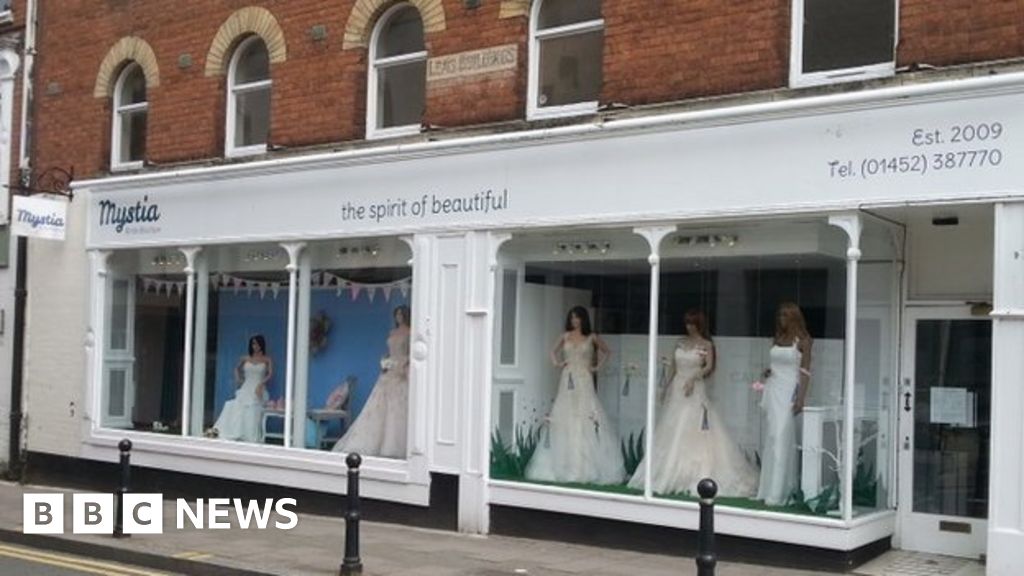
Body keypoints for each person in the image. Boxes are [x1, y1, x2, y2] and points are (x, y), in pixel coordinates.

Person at [629, 310, 757, 496]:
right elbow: (673, 367)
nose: (689, 327)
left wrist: (694, 377)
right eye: (687, 323)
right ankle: (668, 471)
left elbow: (709, 366)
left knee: (694, 428)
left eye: (692, 323)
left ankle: (693, 473)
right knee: (671, 428)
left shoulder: (706, 345)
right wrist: (664, 387)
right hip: (677, 387)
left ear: (699, 324)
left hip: (694, 388)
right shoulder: (680, 342)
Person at [525, 306, 624, 484]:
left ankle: (586, 465)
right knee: (566, 413)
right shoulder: (565, 336)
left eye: (577, 318)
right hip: (568, 378)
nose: (574, 321)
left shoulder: (591, 337)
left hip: (584, 379)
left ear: (583, 319)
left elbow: (607, 351)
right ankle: (563, 462)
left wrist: (596, 368)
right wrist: (557, 363)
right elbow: (552, 351)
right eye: (572, 318)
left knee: (585, 414)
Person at [333, 305, 411, 459]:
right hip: (388, 371)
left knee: (397, 409)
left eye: (401, 314)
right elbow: (388, 352)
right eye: (397, 314)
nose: (399, 317)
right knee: (377, 407)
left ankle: (393, 445)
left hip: (401, 372)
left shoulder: (411, 332)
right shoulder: (392, 332)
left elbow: (411, 353)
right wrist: (384, 361)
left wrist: (404, 365)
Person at [756, 301, 813, 506]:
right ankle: (768, 489)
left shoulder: (804, 340)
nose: (782, 319)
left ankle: (779, 492)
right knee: (772, 437)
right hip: (773, 389)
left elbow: (805, 371)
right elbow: (774, 364)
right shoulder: (778, 338)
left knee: (781, 435)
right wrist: (767, 372)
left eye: (785, 316)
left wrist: (801, 398)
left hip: (789, 391)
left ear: (794, 317)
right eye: (780, 315)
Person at [208, 334, 273, 442]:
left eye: (257, 344)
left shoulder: (267, 359)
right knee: (235, 405)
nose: (255, 346)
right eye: (253, 344)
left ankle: (249, 435)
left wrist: (262, 383)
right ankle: (230, 430)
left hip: (258, 387)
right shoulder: (245, 358)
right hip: (246, 386)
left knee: (252, 406)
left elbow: (270, 374)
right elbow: (236, 368)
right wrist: (238, 378)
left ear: (261, 345)